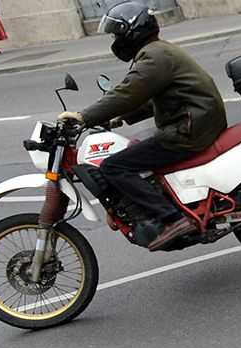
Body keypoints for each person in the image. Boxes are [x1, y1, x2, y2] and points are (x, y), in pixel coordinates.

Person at [57, 1, 227, 251]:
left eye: (116, 34)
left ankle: (174, 219)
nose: (115, 39)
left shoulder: (153, 56)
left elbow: (127, 94)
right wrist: (119, 118)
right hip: (195, 120)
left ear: (132, 32)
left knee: (114, 166)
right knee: (136, 152)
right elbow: (153, 99)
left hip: (189, 129)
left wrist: (84, 117)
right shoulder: (158, 51)